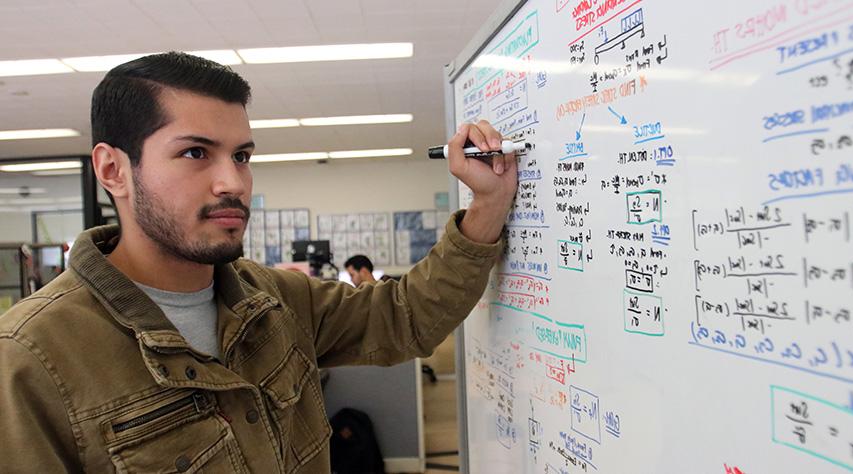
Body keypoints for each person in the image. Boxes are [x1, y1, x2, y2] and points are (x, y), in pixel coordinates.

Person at [0, 52, 518, 472]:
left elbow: (403, 316)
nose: (233, 183)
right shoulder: (32, 358)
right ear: (114, 170)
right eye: (196, 153)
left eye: (242, 156)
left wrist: (488, 204)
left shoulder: (272, 299)